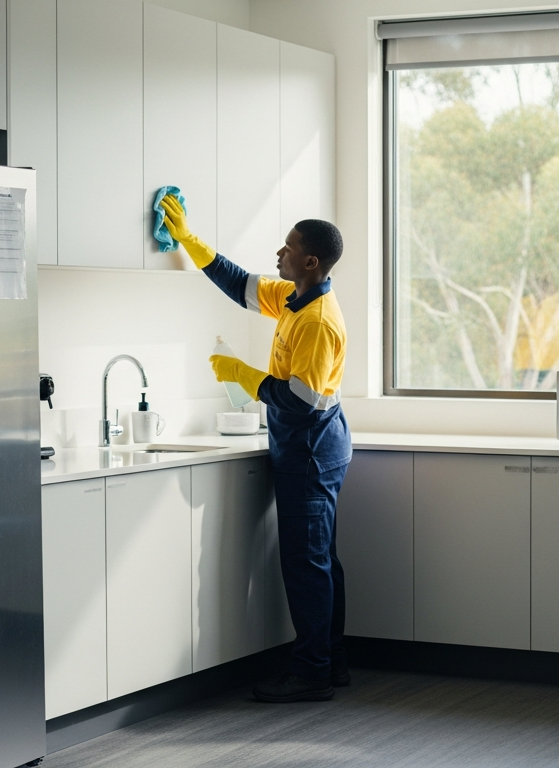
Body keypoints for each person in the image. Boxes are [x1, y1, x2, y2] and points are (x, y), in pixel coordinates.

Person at [160, 194, 351, 703]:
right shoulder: (294, 298)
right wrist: (188, 240)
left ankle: (312, 672)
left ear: (310, 261)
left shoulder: (317, 321)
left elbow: (302, 402)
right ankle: (330, 662)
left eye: (287, 249)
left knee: (308, 564)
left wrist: (242, 374)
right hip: (311, 449)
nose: (279, 254)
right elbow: (239, 284)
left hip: (310, 450)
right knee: (320, 561)